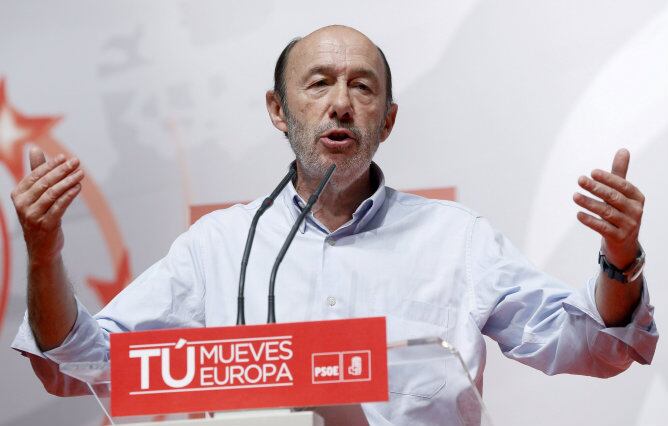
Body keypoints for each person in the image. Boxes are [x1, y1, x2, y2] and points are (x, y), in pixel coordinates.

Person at [10, 25, 658, 424]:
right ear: (277, 109)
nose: (341, 103)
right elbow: (79, 365)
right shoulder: (219, 249)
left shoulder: (457, 240)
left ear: (388, 119)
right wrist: (44, 254)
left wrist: (619, 259)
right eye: (318, 83)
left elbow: (598, 345)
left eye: (363, 87)